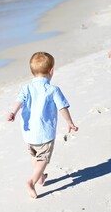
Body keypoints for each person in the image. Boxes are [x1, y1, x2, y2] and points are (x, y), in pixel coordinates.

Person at [7, 52, 78, 199]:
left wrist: (12, 112)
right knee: (43, 159)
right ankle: (31, 181)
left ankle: (40, 177)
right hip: (45, 132)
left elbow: (18, 101)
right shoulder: (53, 89)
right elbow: (62, 107)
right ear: (51, 70)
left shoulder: (26, 88)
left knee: (34, 154)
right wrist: (69, 122)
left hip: (29, 132)